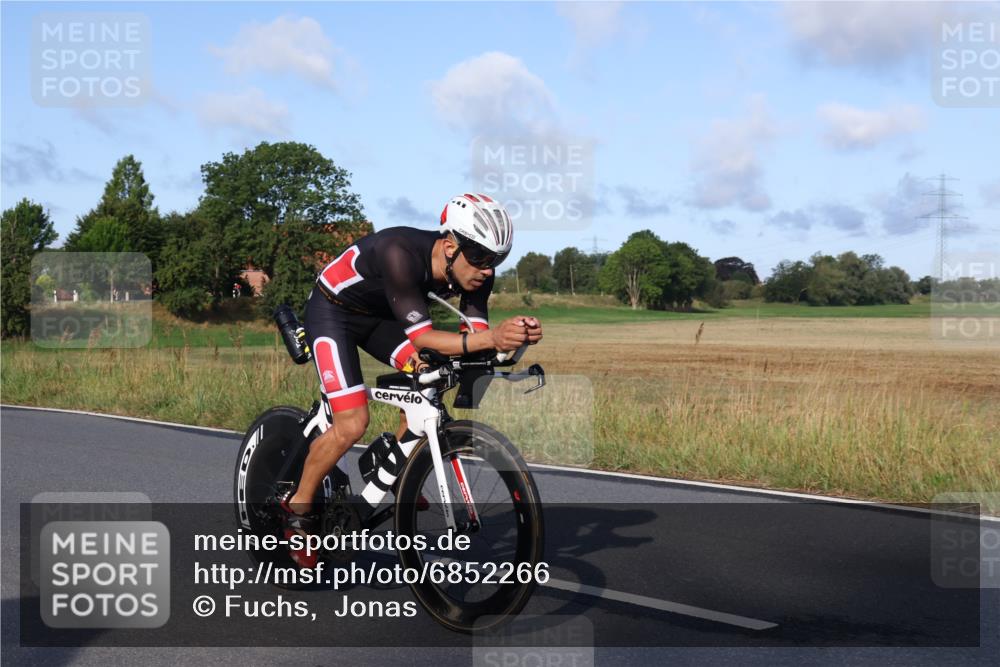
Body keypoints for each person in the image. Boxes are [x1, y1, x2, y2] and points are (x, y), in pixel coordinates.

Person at [281, 193, 542, 566]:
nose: (487, 270)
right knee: (352, 422)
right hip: (333, 312)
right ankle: (299, 511)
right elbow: (423, 338)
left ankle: (390, 465)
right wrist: (490, 339)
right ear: (450, 246)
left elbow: (475, 339)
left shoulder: (476, 272)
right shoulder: (399, 251)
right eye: (481, 258)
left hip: (382, 317)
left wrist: (513, 341)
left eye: (496, 260)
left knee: (429, 380)